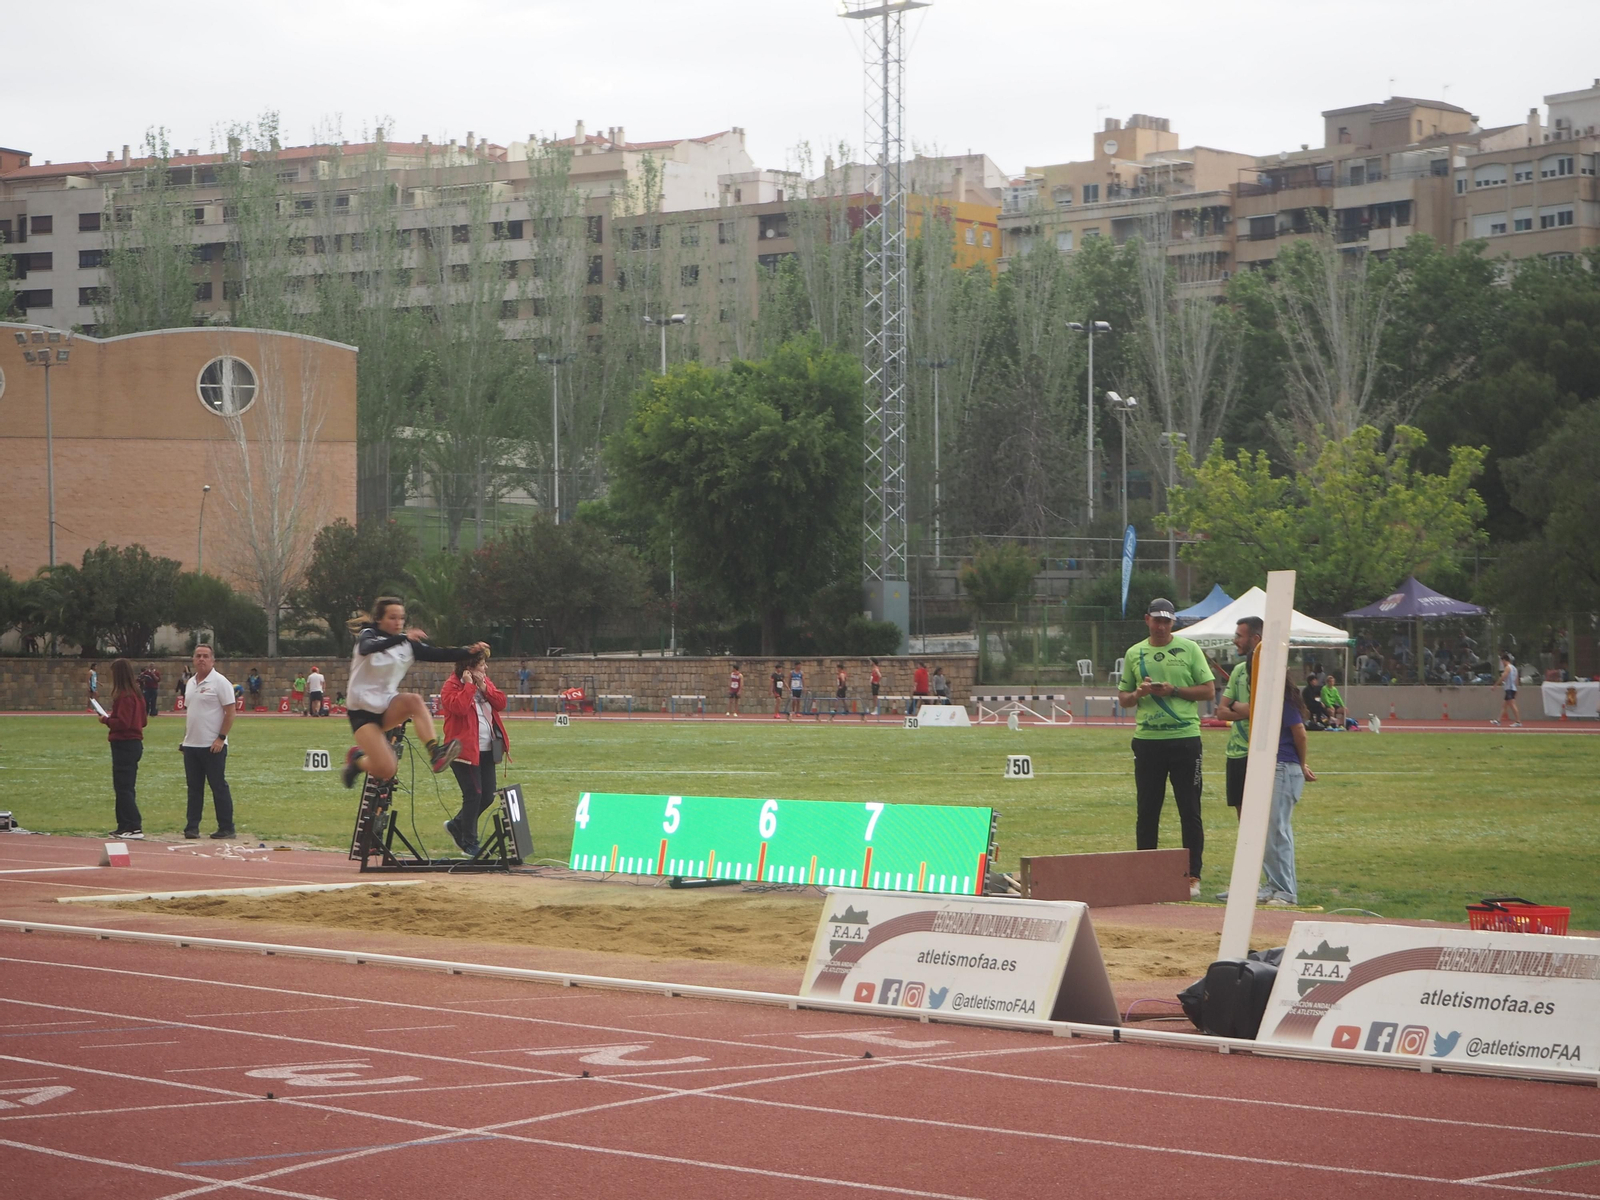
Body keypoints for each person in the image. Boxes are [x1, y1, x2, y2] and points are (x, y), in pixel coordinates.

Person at [1117, 598, 1217, 899]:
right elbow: (1123, 698)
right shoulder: (1134, 653)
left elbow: (1208, 691)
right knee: (1147, 810)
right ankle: (1146, 875)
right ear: (1147, 620)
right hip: (1148, 741)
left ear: (1173, 622)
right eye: (1156, 620)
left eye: (1166, 621)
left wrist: (1174, 690)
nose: (1161, 626)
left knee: (1190, 809)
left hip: (1185, 739)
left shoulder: (1189, 649)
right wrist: (1139, 693)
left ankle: (1192, 875)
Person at [339, 596, 487, 792]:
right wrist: (402, 638)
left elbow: (439, 654)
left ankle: (435, 751)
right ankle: (357, 761)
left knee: (414, 700)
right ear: (379, 619)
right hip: (362, 713)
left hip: (387, 707)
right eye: (392, 618)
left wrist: (469, 651)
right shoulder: (368, 635)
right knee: (387, 769)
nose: (398, 622)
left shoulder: (407, 645)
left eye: (401, 618)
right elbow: (368, 648)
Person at [439, 650, 510, 857]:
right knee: (474, 794)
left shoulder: (485, 682)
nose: (485, 668)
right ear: (469, 668)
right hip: (463, 751)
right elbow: (459, 708)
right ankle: (469, 843)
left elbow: (501, 703)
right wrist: (469, 686)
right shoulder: (451, 686)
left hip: (487, 749)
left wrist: (484, 688)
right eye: (481, 665)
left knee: (487, 796)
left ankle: (456, 825)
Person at [1261, 677, 1317, 905]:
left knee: (1277, 831)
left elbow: (1300, 733)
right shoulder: (1271, 700)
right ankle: (1275, 885)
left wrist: (1301, 764)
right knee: (1271, 831)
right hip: (1277, 766)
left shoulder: (1282, 701)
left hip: (1283, 766)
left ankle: (1285, 890)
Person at [181, 644, 237, 840]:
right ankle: (192, 826)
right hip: (192, 745)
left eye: (205, 656)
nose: (201, 659)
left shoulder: (220, 682)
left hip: (213, 745)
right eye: (198, 656)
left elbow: (230, 712)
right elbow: (192, 713)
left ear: (213, 660)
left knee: (218, 786)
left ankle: (227, 827)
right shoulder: (190, 683)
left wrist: (221, 738)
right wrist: (185, 739)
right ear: (193, 659)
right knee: (194, 788)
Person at [1215, 616, 1263, 826]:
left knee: (1263, 815)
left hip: (1260, 752)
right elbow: (1221, 712)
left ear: (1255, 639)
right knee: (1242, 816)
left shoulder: (1271, 670)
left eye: (1239, 636)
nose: (1235, 641)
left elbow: (1267, 711)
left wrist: (1240, 706)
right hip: (1236, 753)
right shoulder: (1238, 670)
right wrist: (1246, 710)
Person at [99, 658, 147, 839]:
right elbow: (143, 721)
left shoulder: (124, 696)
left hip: (124, 744)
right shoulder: (137, 695)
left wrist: (106, 720)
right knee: (125, 786)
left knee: (123, 787)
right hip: (134, 744)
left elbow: (123, 723)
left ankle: (133, 825)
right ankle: (123, 825)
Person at [1493, 653, 1522, 726]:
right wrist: (1516, 688)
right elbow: (1516, 680)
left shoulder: (1508, 668)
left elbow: (1503, 677)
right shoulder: (1514, 668)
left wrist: (1495, 685)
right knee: (1504, 706)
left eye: (1502, 661)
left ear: (1504, 660)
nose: (1502, 663)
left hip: (1510, 689)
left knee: (1512, 705)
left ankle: (1518, 721)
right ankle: (1498, 720)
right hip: (1512, 688)